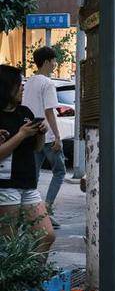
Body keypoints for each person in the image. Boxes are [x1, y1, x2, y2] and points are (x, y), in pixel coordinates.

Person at [0, 65, 55, 257]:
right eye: (18, 84)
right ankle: (14, 284)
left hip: (28, 183)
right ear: (7, 87)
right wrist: (21, 134)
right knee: (9, 242)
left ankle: (33, 275)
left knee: (46, 235)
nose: (22, 87)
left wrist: (41, 133)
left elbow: (37, 148)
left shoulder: (24, 111)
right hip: (6, 185)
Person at [22, 46, 65, 228]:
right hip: (45, 136)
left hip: (31, 133)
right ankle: (46, 210)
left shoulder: (30, 81)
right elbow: (49, 112)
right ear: (47, 61)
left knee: (34, 174)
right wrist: (57, 137)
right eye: (54, 60)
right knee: (60, 171)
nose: (56, 64)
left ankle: (32, 212)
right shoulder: (47, 83)